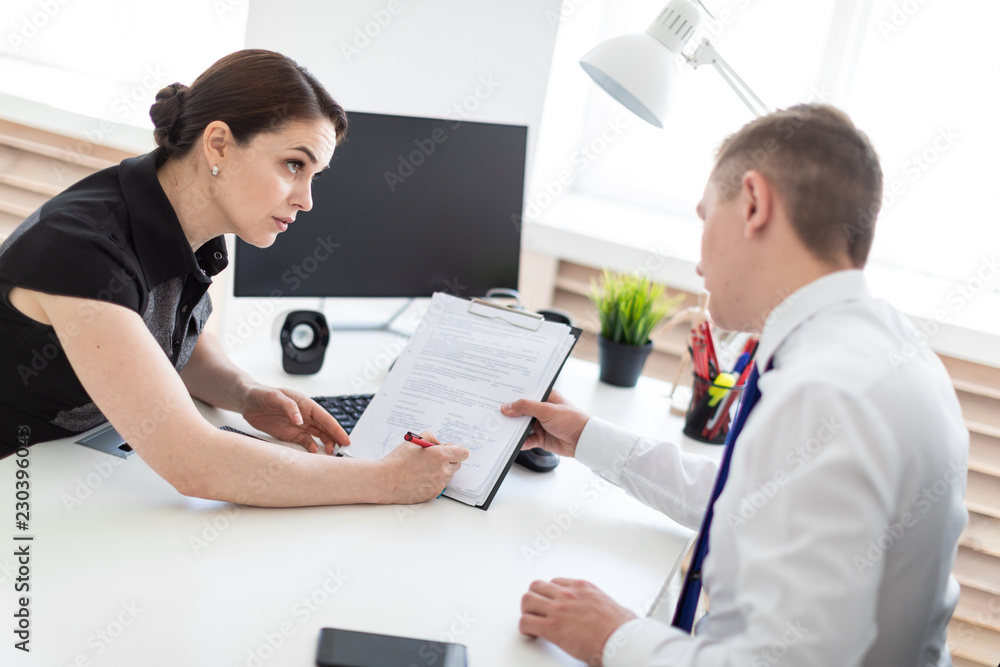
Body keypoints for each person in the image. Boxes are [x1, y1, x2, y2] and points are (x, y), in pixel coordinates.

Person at [504, 104, 968, 665]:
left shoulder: (824, 391)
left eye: (705, 219)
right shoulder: (889, 350)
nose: (698, 263)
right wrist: (584, 438)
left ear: (752, 204)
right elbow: (755, 503)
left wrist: (614, 637)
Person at [0, 49, 469, 505]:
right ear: (219, 143)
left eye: (314, 175)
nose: (306, 200)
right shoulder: (84, 248)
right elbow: (193, 462)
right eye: (293, 164)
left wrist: (246, 394)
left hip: (57, 470)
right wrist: (386, 482)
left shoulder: (181, 218)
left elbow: (171, 345)